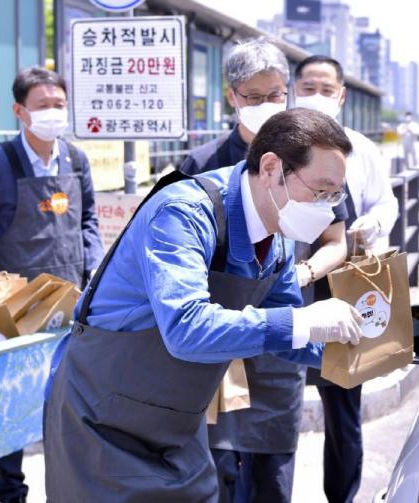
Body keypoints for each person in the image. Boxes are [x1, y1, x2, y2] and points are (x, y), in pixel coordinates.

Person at [43, 107, 365, 502]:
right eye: (319, 191)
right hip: (102, 420)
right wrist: (304, 322)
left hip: (177, 422)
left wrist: (367, 347)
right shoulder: (183, 213)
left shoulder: (278, 237)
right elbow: (187, 329)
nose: (327, 209)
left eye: (334, 195)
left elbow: (287, 336)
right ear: (270, 169)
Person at [180, 39, 349, 503]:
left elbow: (337, 238)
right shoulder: (199, 169)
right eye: (254, 96)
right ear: (231, 96)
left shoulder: (315, 156)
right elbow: (185, 312)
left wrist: (302, 276)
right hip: (217, 337)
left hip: (283, 328)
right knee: (214, 472)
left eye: (275, 94)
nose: (267, 104)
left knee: (272, 477)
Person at [0, 66, 103, 503]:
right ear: (19, 111)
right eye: (43, 105)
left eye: (59, 104)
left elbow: (88, 218)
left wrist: (92, 268)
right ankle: (11, 495)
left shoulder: (76, 159)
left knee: (66, 408)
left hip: (69, 304)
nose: (53, 113)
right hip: (15, 310)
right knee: (10, 407)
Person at [294, 55, 399, 503]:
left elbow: (386, 203)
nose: (316, 96)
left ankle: (343, 495)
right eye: (308, 87)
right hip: (284, 291)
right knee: (270, 405)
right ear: (293, 90)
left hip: (343, 291)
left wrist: (372, 226)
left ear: (341, 95)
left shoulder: (361, 149)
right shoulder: (276, 143)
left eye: (325, 89)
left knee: (343, 410)